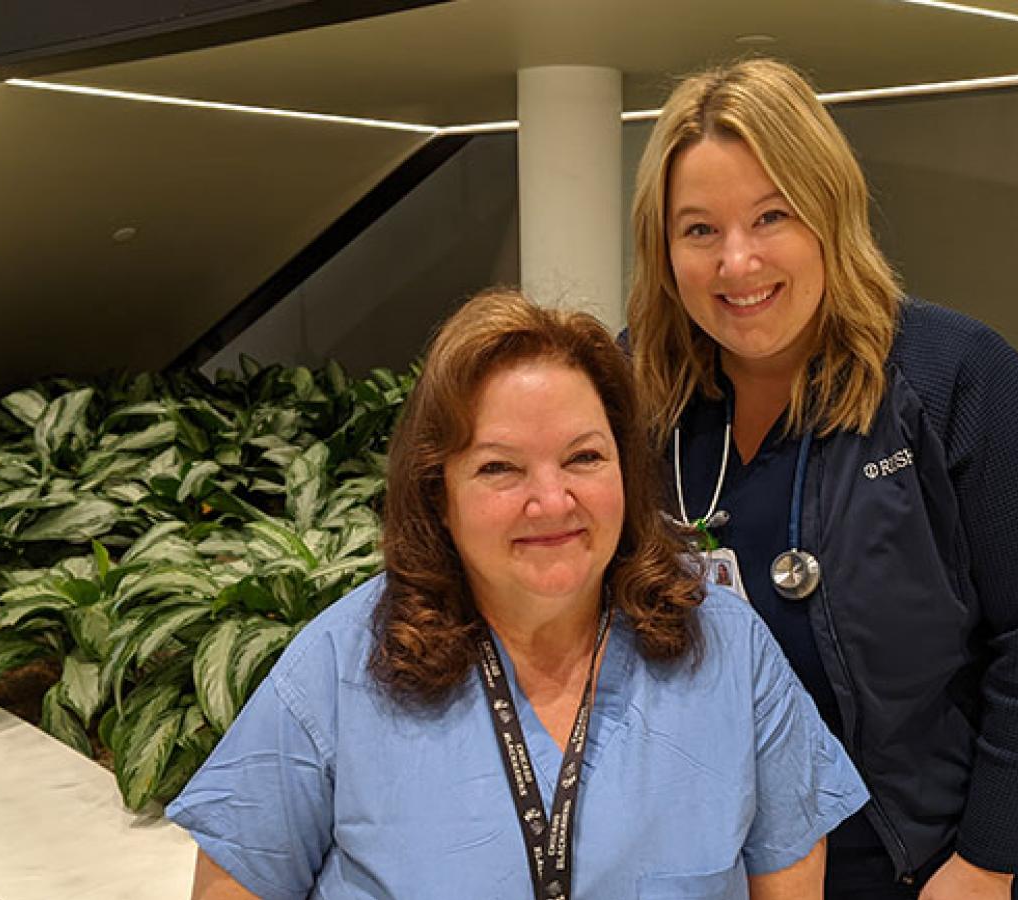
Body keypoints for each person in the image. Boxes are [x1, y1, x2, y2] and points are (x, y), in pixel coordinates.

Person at [166, 288, 869, 900]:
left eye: (584, 457)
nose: (552, 500)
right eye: (501, 467)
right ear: (439, 492)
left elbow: (789, 875)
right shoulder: (338, 667)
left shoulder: (727, 648)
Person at [626, 59, 1018, 900]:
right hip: (713, 862)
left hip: (920, 859)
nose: (737, 263)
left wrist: (990, 859)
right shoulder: (634, 393)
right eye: (698, 230)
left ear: (828, 212)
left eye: (771, 216)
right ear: (662, 248)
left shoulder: (955, 376)